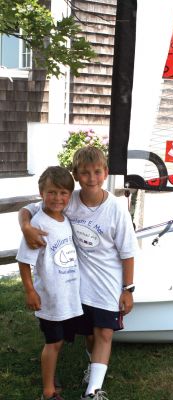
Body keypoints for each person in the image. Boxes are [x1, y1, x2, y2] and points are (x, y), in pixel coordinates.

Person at [18, 146, 139, 400]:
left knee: (104, 333)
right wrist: (26, 227)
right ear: (76, 174)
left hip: (108, 283)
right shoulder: (68, 199)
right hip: (77, 283)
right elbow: (28, 209)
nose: (91, 178)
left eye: (97, 172)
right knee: (89, 333)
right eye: (84, 173)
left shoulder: (116, 208)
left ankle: (92, 391)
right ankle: (91, 367)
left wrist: (128, 289)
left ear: (105, 173)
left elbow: (128, 252)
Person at [16, 166, 83, 400]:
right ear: (41, 192)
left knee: (60, 340)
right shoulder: (38, 225)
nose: (58, 198)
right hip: (50, 298)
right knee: (53, 343)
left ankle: (50, 374)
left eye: (63, 193)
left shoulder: (65, 219)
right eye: (52, 192)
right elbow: (24, 261)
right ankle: (48, 391)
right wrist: (30, 291)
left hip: (68, 295)